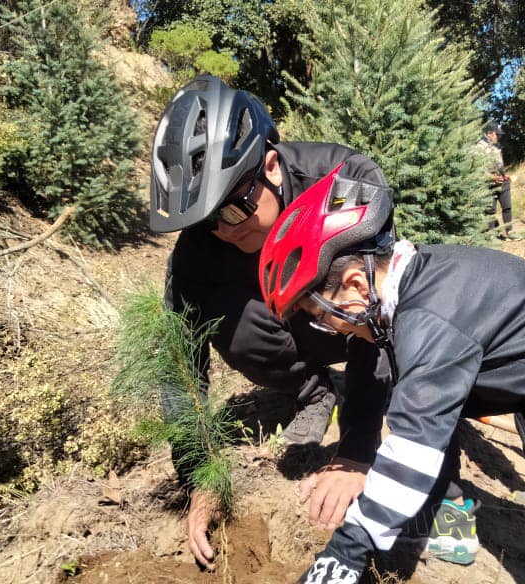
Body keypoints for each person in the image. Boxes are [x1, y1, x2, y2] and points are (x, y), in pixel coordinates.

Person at [258, 167, 525, 584]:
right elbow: (422, 410)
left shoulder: (430, 320)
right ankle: (458, 505)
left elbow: (414, 446)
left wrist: (343, 556)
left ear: (356, 284)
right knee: (416, 395)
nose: (334, 329)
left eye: (323, 317)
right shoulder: (411, 281)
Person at [150, 75, 391, 570]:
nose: (224, 230)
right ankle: (315, 390)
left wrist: (357, 452)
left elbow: (379, 317)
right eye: (206, 221)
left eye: (234, 208)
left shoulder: (348, 184)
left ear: (272, 166)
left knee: (377, 320)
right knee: (227, 322)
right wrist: (201, 477)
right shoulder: (203, 244)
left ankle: (357, 399)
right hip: (290, 330)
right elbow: (179, 366)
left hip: (347, 326)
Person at [475, 122, 521, 240]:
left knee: (507, 207)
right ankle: (491, 236)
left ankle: (509, 233)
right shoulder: (478, 147)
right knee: (490, 210)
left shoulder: (497, 146)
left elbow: (499, 166)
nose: (499, 137)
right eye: (497, 134)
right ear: (489, 134)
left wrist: (505, 176)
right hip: (489, 183)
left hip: (503, 181)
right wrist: (492, 178)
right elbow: (477, 169)